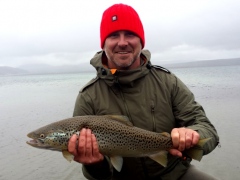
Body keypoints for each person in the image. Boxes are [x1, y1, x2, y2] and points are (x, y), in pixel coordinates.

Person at [68, 3, 219, 180]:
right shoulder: (88, 96)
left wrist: (194, 135)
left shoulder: (167, 82)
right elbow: (98, 176)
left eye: (130, 34)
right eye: (114, 35)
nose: (122, 43)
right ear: (104, 43)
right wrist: (94, 165)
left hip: (175, 174)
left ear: (140, 40)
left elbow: (207, 129)